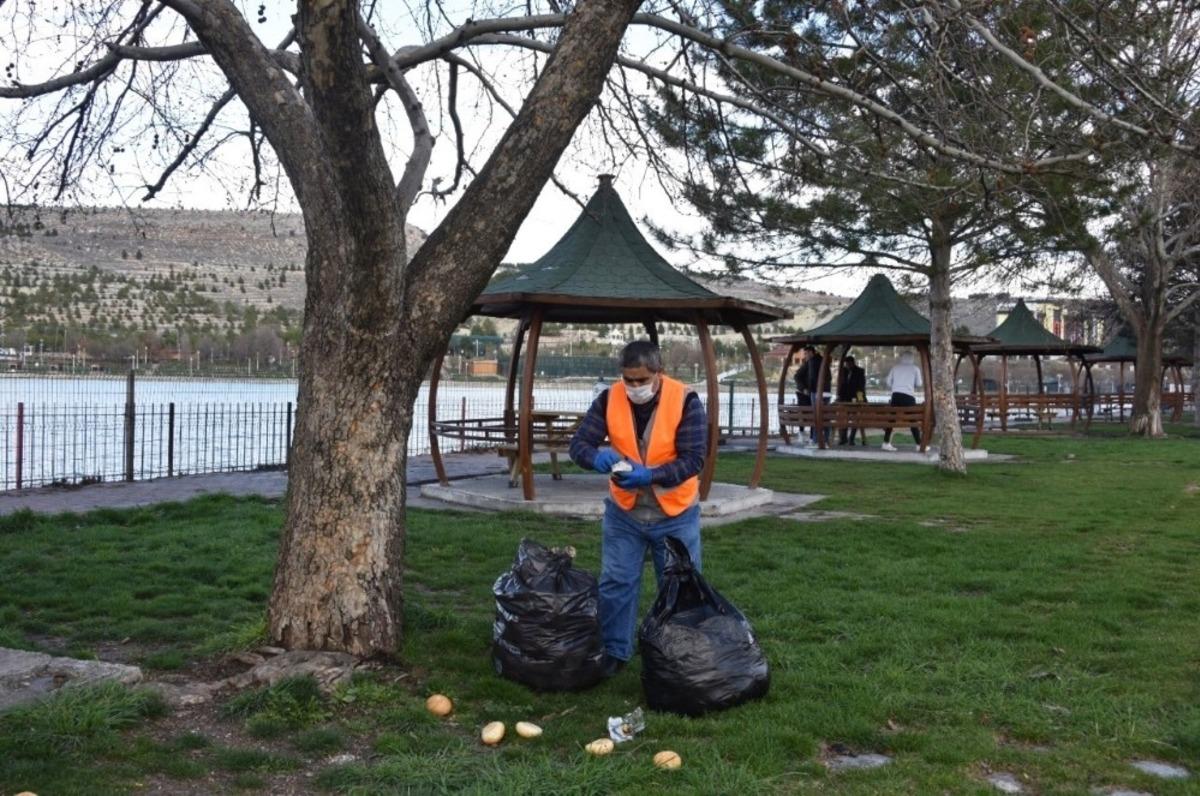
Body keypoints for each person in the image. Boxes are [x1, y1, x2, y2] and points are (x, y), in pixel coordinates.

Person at [568, 340, 706, 677]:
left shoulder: (685, 400)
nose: (633, 387)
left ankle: (679, 656)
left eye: (641, 380)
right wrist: (594, 457)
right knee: (616, 582)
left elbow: (694, 459)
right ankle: (614, 653)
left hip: (675, 512)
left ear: (658, 373)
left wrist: (652, 475)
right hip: (624, 511)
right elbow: (579, 445)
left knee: (678, 586)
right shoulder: (608, 398)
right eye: (628, 379)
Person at [882, 351, 923, 451]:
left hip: (896, 395)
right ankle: (919, 444)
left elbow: (887, 382)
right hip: (908, 396)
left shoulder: (895, 368)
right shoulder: (915, 369)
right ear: (912, 358)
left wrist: (895, 386)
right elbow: (919, 384)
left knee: (891, 419)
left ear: (902, 358)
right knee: (913, 420)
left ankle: (886, 442)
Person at [836, 355, 867, 446]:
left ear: (853, 363)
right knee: (842, 418)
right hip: (845, 398)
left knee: (856, 419)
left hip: (856, 398)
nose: (848, 366)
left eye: (849, 364)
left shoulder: (860, 371)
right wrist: (839, 397)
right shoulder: (844, 371)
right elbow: (842, 385)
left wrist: (860, 399)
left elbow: (861, 387)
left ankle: (851, 439)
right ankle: (843, 438)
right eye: (846, 364)